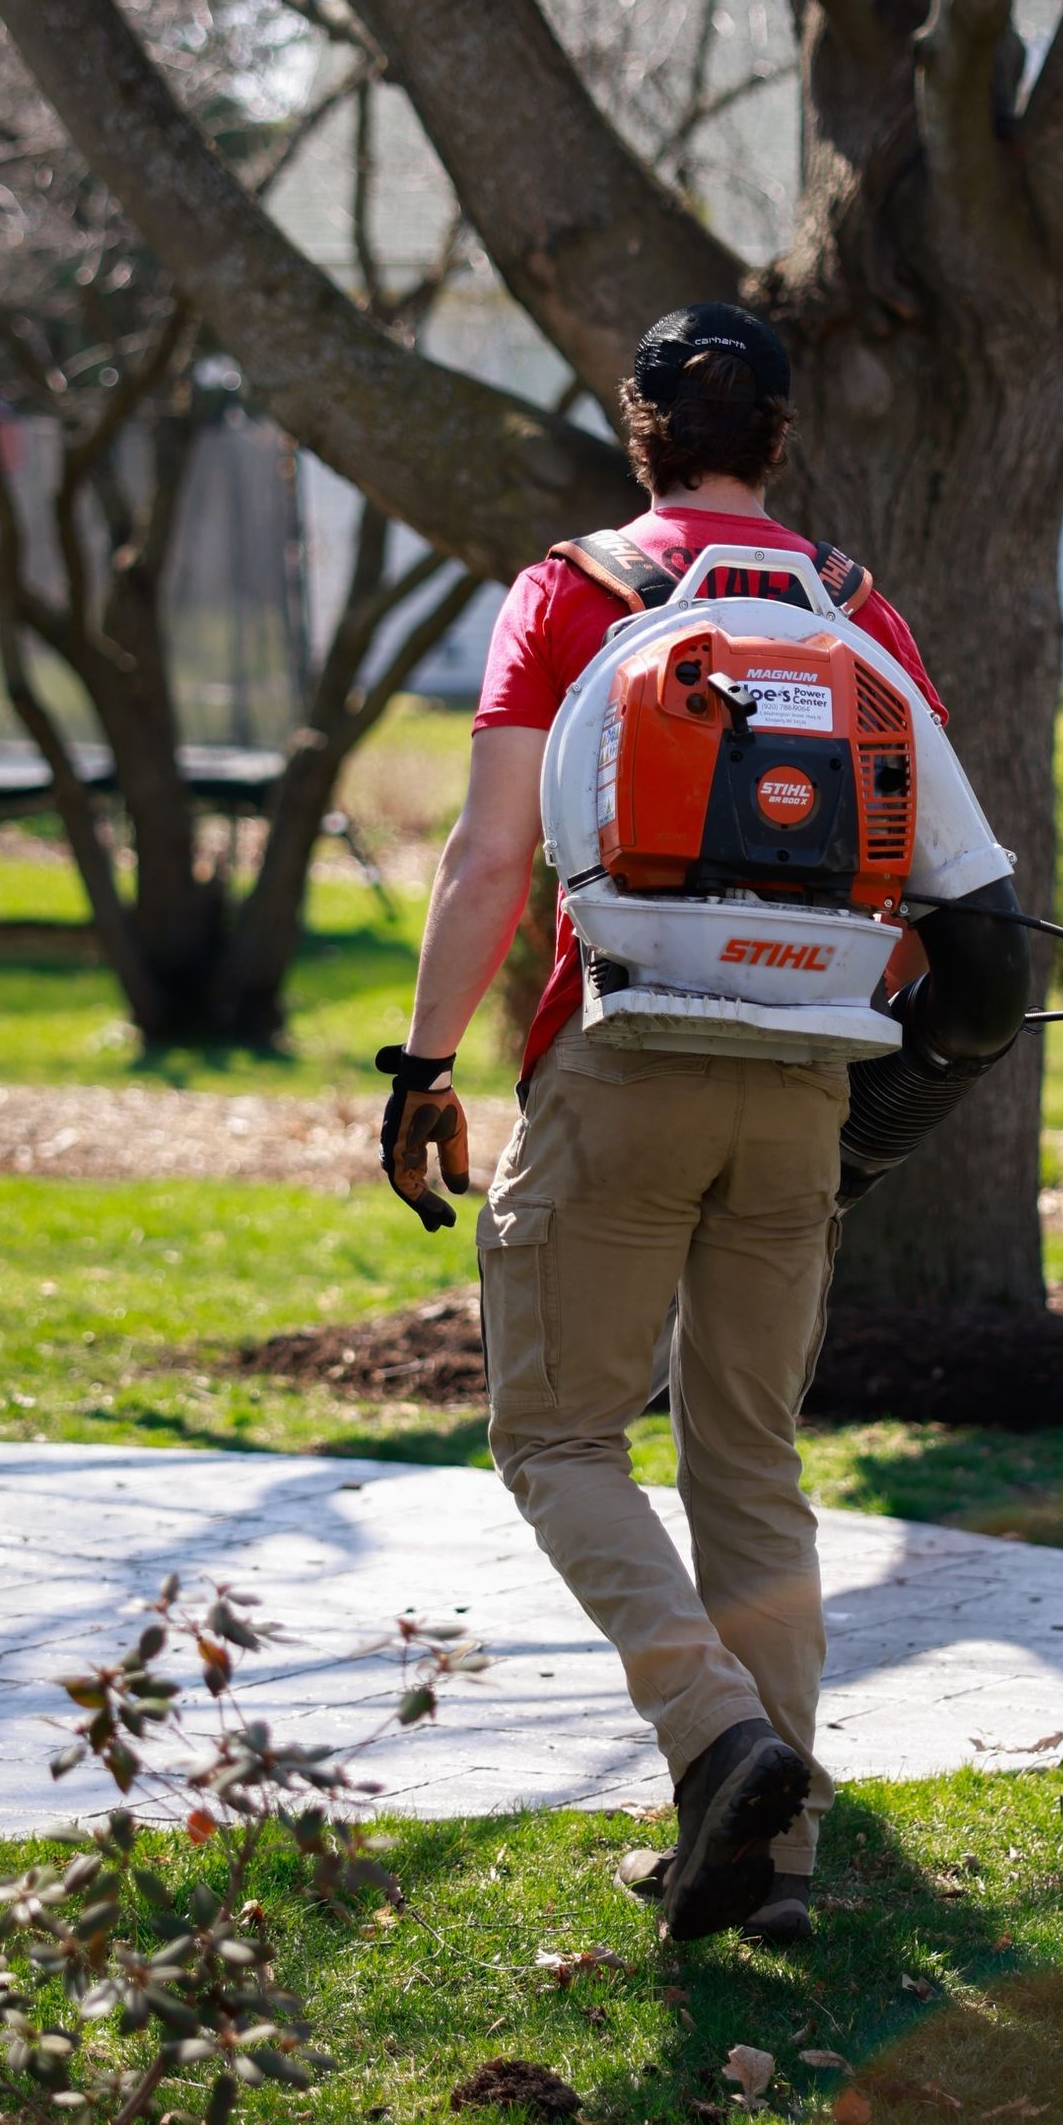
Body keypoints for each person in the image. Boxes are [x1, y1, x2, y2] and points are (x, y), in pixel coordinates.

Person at [375, 302, 944, 1947]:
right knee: (750, 1457)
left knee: (555, 1436)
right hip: (806, 1079)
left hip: (622, 1055)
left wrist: (420, 1069)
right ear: (779, 432)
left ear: (637, 425)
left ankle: (718, 1740)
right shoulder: (857, 612)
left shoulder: (574, 592)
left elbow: (492, 858)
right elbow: (927, 869)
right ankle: (771, 1863)